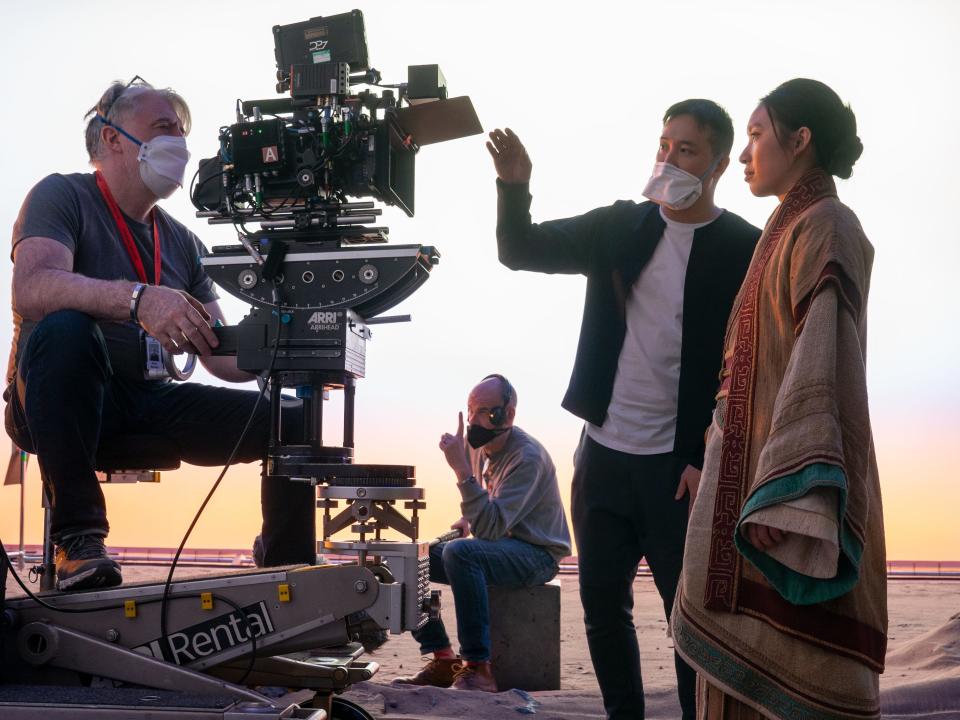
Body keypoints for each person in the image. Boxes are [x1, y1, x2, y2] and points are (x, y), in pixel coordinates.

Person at [487, 101, 760, 718]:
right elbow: (519, 248)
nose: (667, 158)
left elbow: (752, 367)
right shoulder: (618, 226)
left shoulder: (743, 248)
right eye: (663, 144)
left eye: (685, 149)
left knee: (688, 621)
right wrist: (514, 185)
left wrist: (705, 456)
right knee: (603, 613)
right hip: (604, 457)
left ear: (717, 163)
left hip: (678, 471)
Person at [3, 78, 316, 592]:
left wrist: (295, 335)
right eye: (163, 128)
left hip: (146, 400)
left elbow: (220, 354)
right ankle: (78, 541)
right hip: (51, 399)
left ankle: (289, 573)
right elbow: (32, 287)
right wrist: (138, 300)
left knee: (290, 421)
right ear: (112, 138)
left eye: (182, 132)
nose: (179, 143)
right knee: (65, 330)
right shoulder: (61, 196)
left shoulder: (181, 242)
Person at [670, 79, 887, 719]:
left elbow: (826, 362)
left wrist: (790, 489)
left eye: (757, 135)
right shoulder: (787, 228)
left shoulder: (827, 224)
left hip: (785, 504)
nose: (744, 154)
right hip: (751, 496)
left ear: (800, 141)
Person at [394, 374, 571, 692]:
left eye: (484, 411)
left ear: (509, 414)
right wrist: (467, 518)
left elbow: (491, 526)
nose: (474, 419)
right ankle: (443, 658)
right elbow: (491, 504)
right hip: (501, 544)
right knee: (408, 558)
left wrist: (461, 470)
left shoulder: (527, 458)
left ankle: (478, 667)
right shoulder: (477, 447)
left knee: (460, 553)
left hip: (538, 553)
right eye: (470, 410)